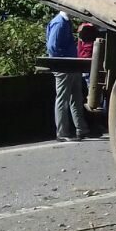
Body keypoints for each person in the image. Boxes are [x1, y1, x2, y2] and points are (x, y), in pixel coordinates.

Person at [46, 10, 89, 142]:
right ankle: (62, 133)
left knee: (76, 97)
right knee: (63, 99)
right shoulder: (59, 23)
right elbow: (52, 47)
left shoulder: (65, 21)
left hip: (72, 64)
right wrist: (64, 60)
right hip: (64, 66)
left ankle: (81, 129)